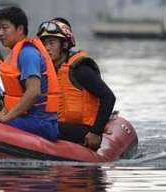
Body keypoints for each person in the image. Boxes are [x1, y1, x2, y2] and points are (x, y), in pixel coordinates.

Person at [37, 18, 116, 149]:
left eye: (52, 43)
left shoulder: (80, 70)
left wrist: (96, 132)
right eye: (44, 44)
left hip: (84, 130)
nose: (47, 48)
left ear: (64, 45)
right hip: (60, 125)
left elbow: (108, 97)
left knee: (42, 126)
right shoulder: (46, 71)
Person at [0, 7, 60, 141]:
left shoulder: (27, 53)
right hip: (29, 119)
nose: (0, 33)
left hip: (41, 123)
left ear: (20, 29)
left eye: (5, 28)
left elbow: (34, 91)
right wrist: (2, 113)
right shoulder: (16, 53)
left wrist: (6, 118)